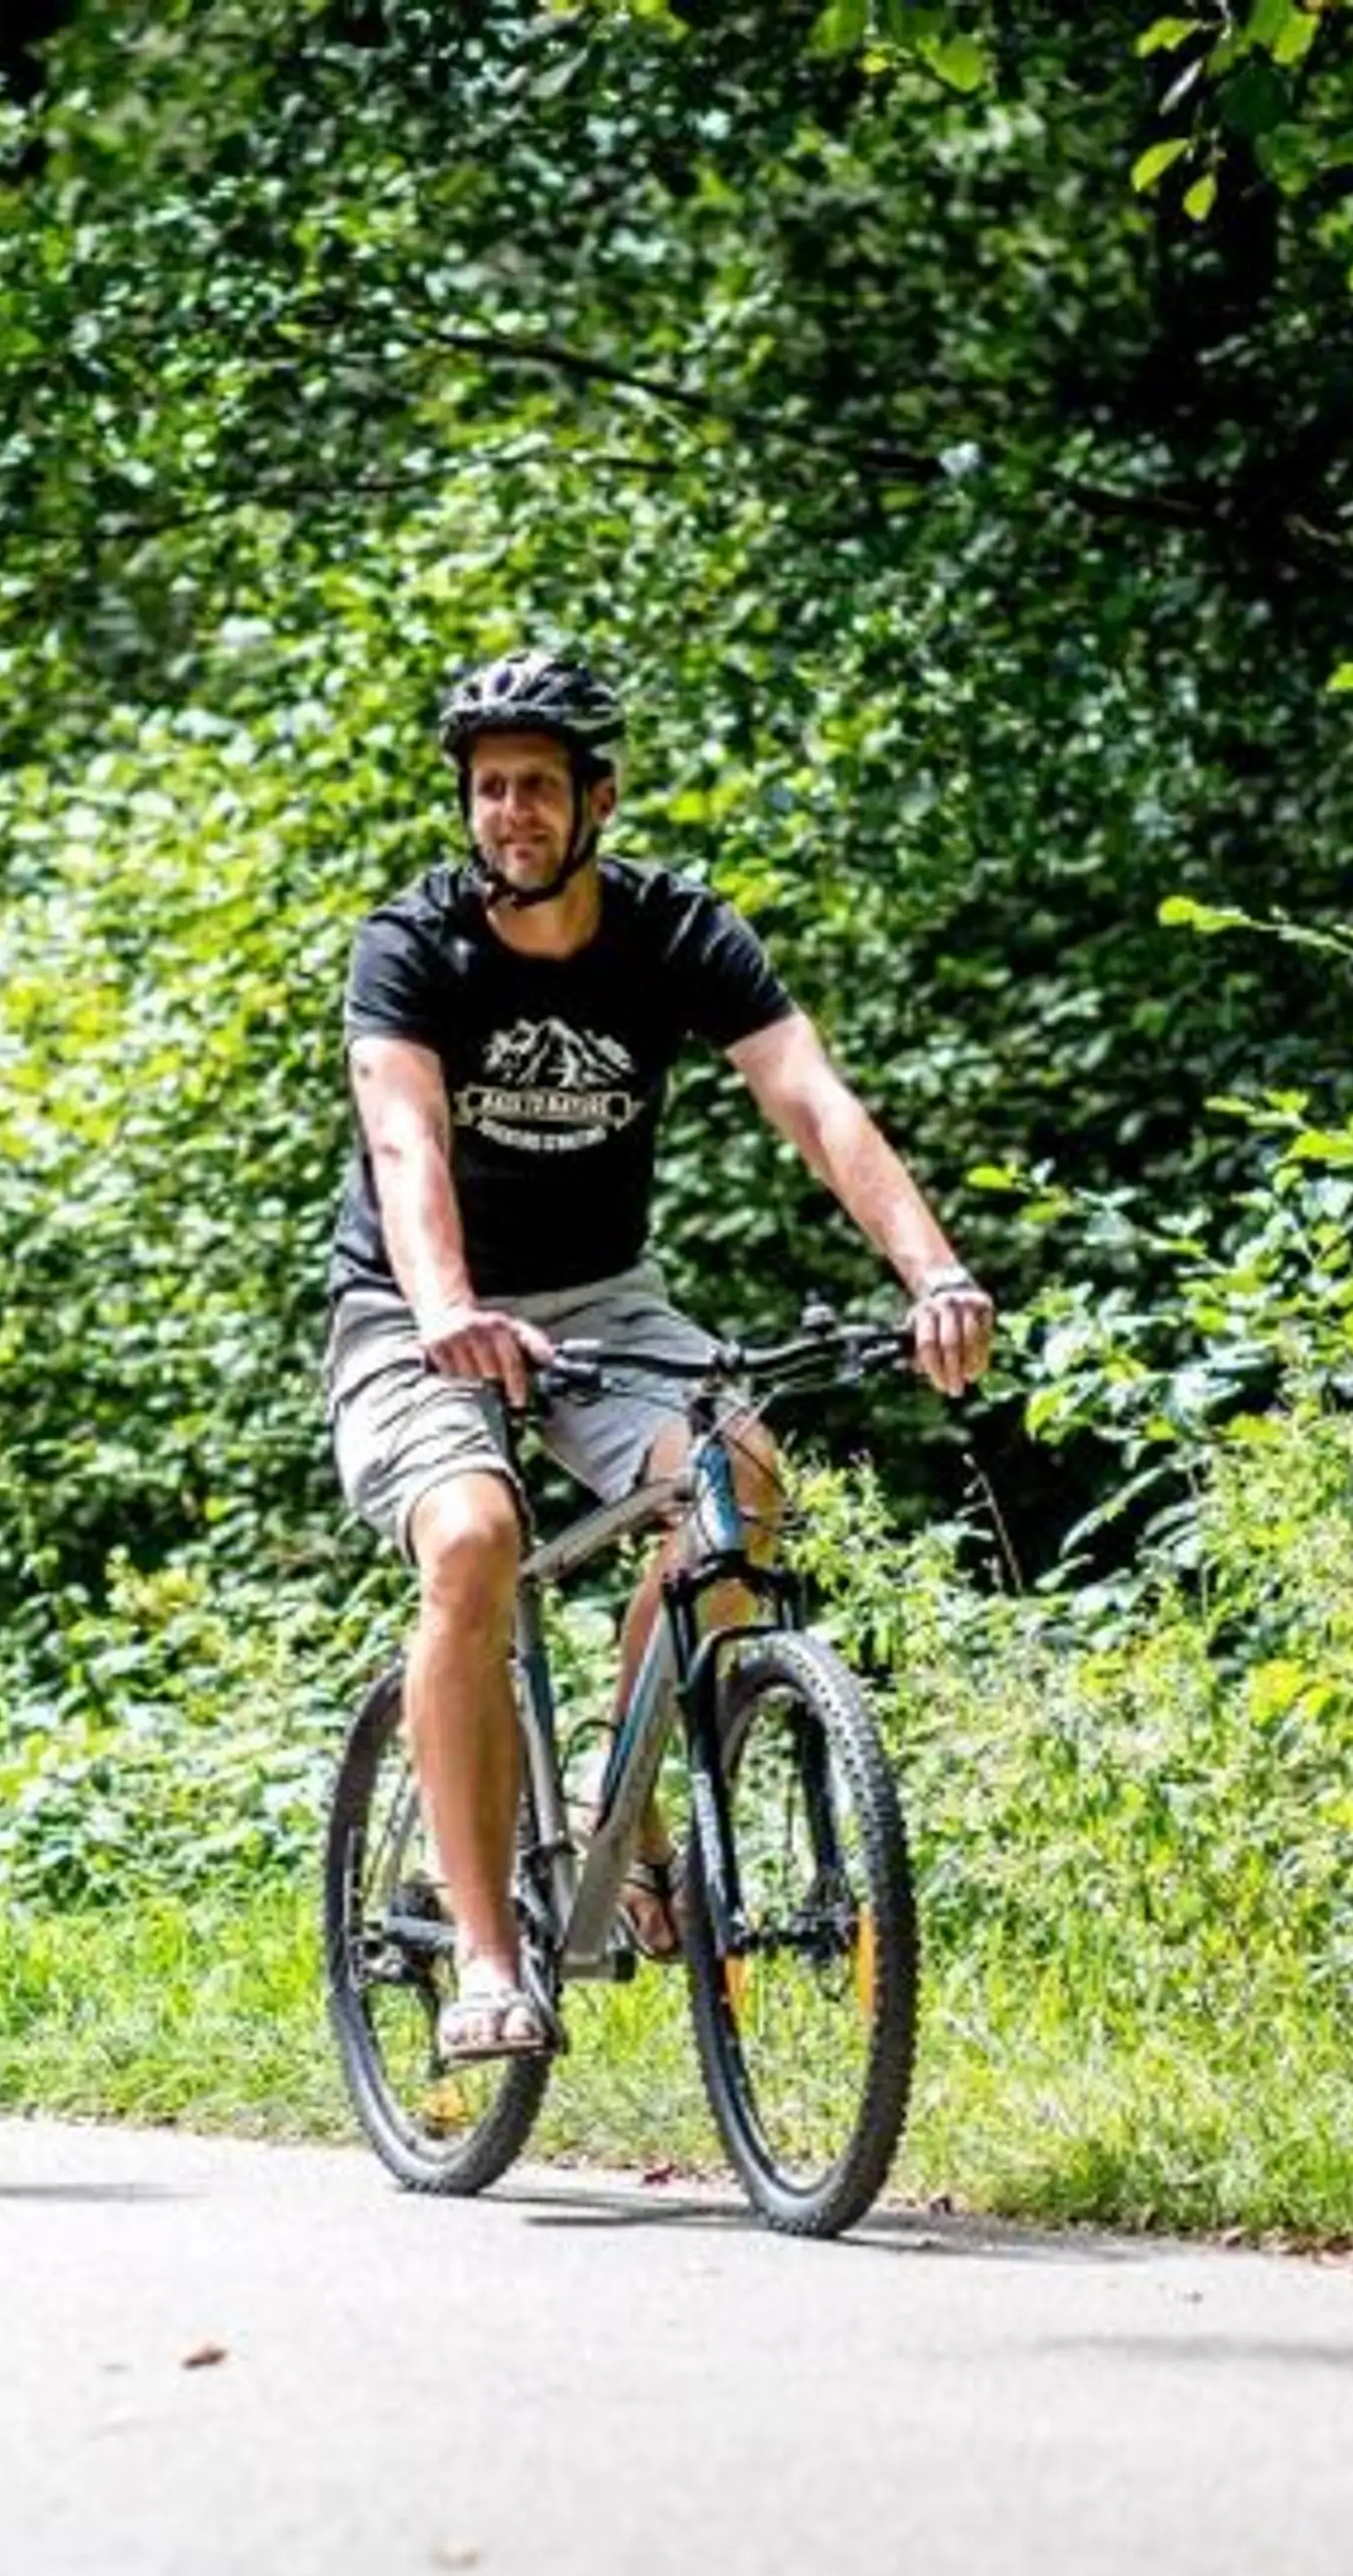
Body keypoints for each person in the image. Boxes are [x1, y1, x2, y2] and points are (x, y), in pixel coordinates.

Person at [327, 648, 994, 2064]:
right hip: (411, 1306)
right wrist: (447, 1304)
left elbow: (814, 1102)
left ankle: (615, 1842)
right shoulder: (412, 945)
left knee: (739, 1478)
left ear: (597, 800)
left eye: (538, 786)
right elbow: (406, 1145)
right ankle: (491, 1964)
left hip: (606, 1299)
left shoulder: (678, 933)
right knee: (473, 1539)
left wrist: (932, 1271)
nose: (508, 811)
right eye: (488, 786)